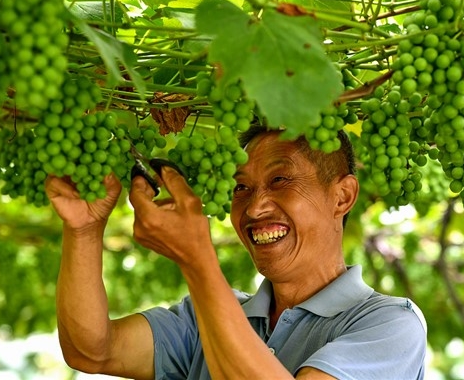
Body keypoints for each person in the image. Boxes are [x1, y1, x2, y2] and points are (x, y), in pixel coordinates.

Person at [45, 124, 427, 380]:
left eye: (280, 180)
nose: (255, 207)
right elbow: (92, 351)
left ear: (342, 196)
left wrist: (197, 260)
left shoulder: (390, 325)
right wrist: (84, 230)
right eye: (241, 188)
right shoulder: (211, 316)